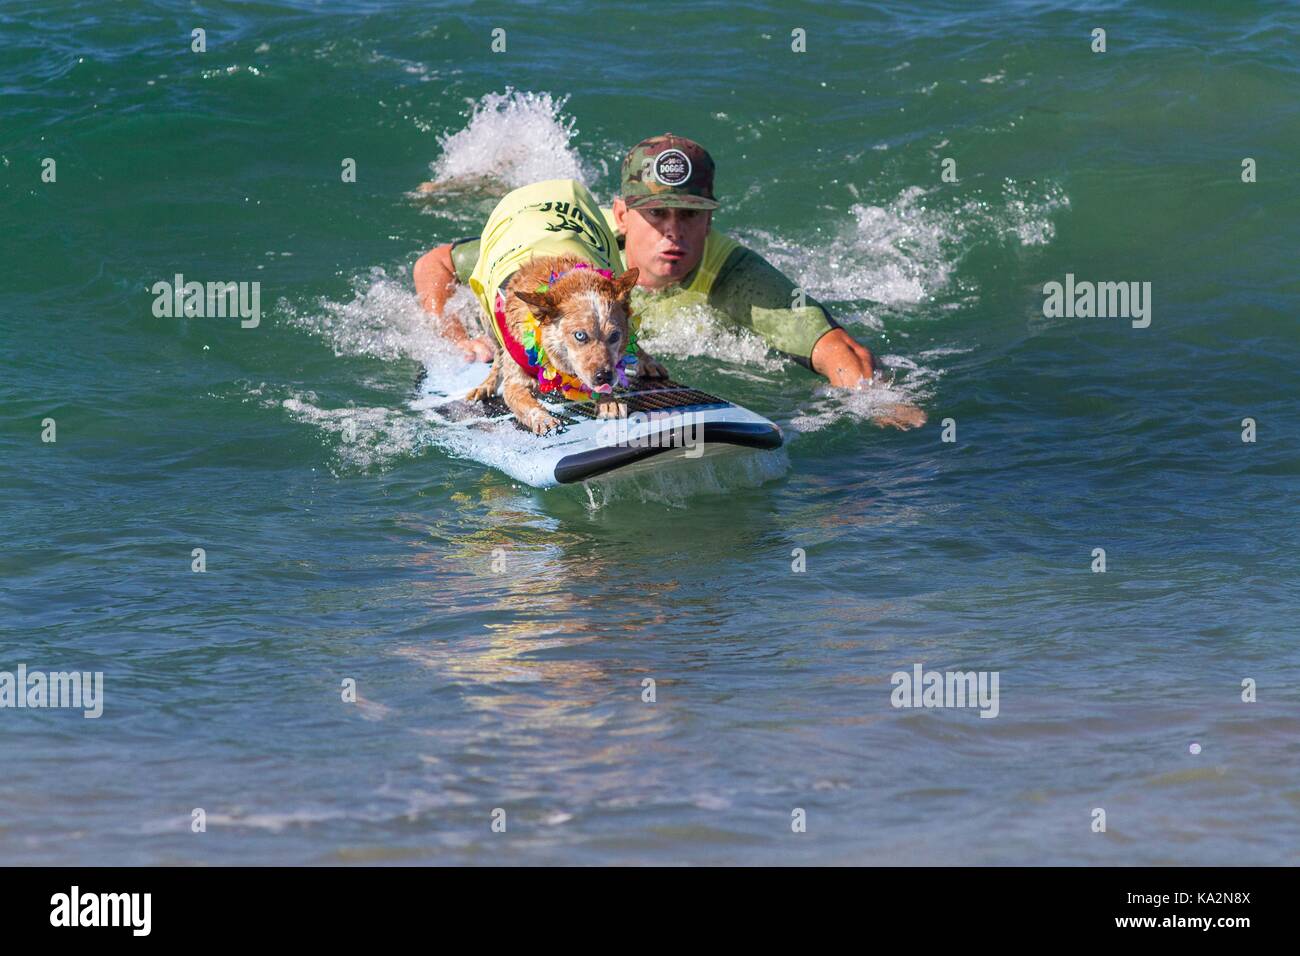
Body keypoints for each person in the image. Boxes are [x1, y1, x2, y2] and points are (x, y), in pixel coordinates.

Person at [414, 134, 925, 428]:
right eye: (656, 214)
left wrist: (876, 402)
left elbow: (837, 347)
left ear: (710, 220)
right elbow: (433, 264)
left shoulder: (729, 271)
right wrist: (456, 335)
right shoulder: (575, 251)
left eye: (690, 215)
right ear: (620, 215)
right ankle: (479, 179)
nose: (673, 234)